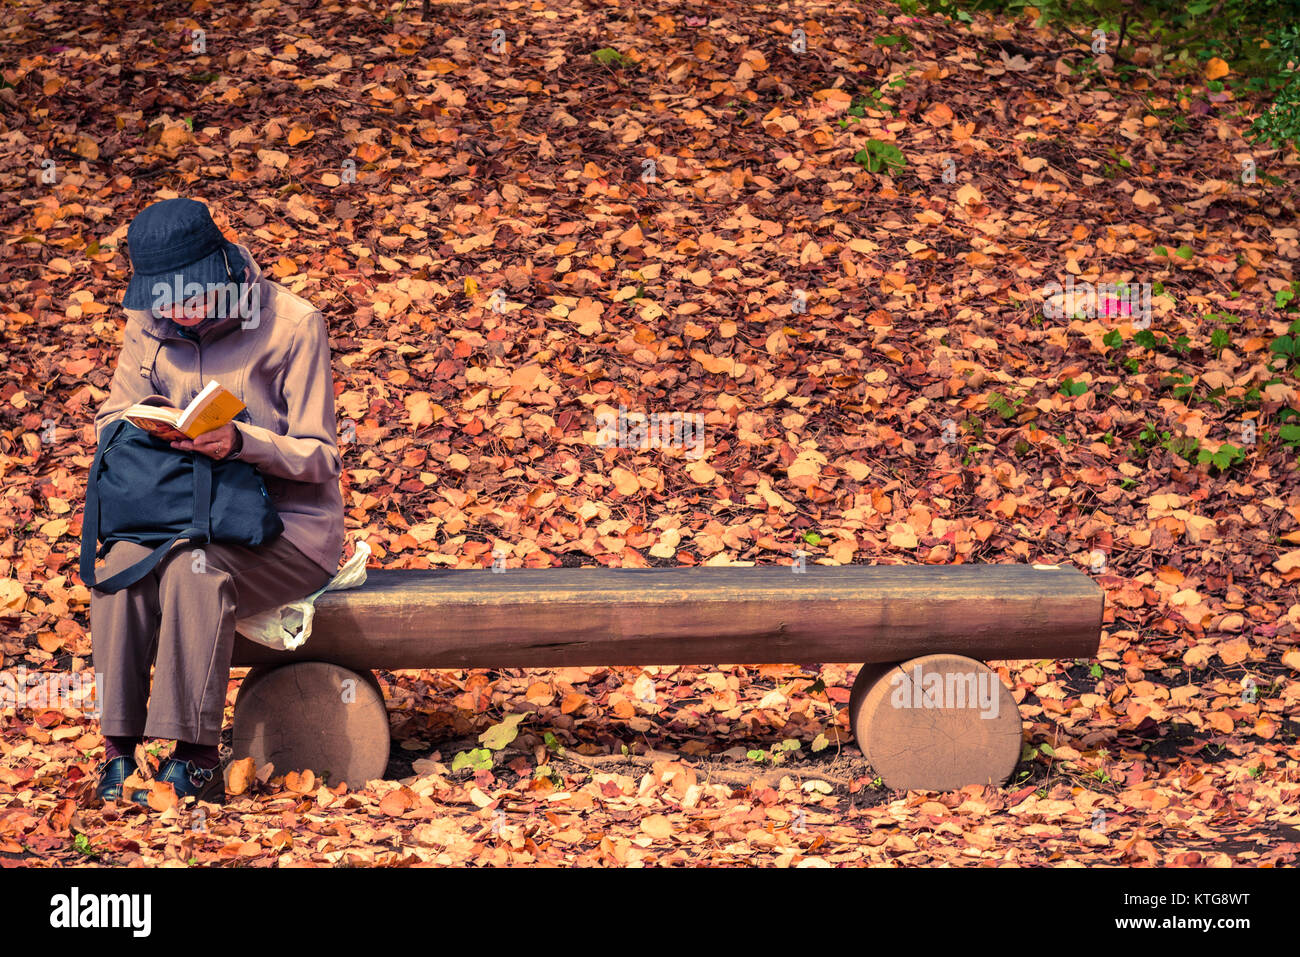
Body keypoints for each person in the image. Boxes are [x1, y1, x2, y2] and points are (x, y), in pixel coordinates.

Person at [86, 198, 345, 807]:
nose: (180, 312)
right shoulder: (148, 326)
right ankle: (120, 752)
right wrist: (144, 425)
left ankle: (196, 758)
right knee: (118, 568)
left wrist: (242, 442)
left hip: (285, 530)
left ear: (222, 268)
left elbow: (321, 456)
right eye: (166, 301)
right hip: (178, 515)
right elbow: (109, 420)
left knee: (190, 575)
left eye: (192, 297)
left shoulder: (292, 324)